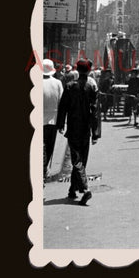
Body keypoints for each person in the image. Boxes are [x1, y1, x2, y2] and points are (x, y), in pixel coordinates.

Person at [56, 58, 100, 205]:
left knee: (76, 160)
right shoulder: (91, 88)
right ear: (88, 71)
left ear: (77, 70)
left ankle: (84, 189)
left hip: (74, 127)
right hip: (86, 129)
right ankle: (73, 189)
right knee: (81, 160)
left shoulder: (69, 86)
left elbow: (63, 107)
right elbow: (95, 112)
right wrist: (95, 133)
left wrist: (61, 124)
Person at [43, 58, 63, 185]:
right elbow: (61, 103)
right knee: (49, 146)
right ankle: (45, 169)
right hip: (53, 119)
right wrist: (62, 123)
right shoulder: (57, 83)